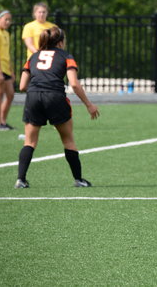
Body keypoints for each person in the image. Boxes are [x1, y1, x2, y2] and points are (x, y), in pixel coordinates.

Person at [15, 27, 100, 188]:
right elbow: (74, 83)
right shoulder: (66, 56)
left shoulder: (33, 56)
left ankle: (20, 180)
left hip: (33, 96)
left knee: (30, 142)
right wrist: (89, 105)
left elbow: (22, 86)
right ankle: (78, 179)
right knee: (68, 140)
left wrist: (37, 92)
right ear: (60, 42)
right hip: (55, 97)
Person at [0, 10, 15, 130]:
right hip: (0, 69)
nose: (8, 22)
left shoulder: (6, 34)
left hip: (6, 69)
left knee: (10, 94)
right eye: (6, 19)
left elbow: (6, 54)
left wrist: (11, 70)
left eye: (9, 20)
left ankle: (3, 121)